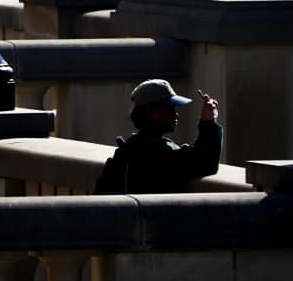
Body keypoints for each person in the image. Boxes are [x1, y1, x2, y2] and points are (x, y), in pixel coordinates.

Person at [94, 78, 223, 194]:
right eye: (171, 109)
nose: (176, 114)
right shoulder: (159, 154)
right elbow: (205, 162)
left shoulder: (128, 150)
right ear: (152, 112)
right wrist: (209, 122)